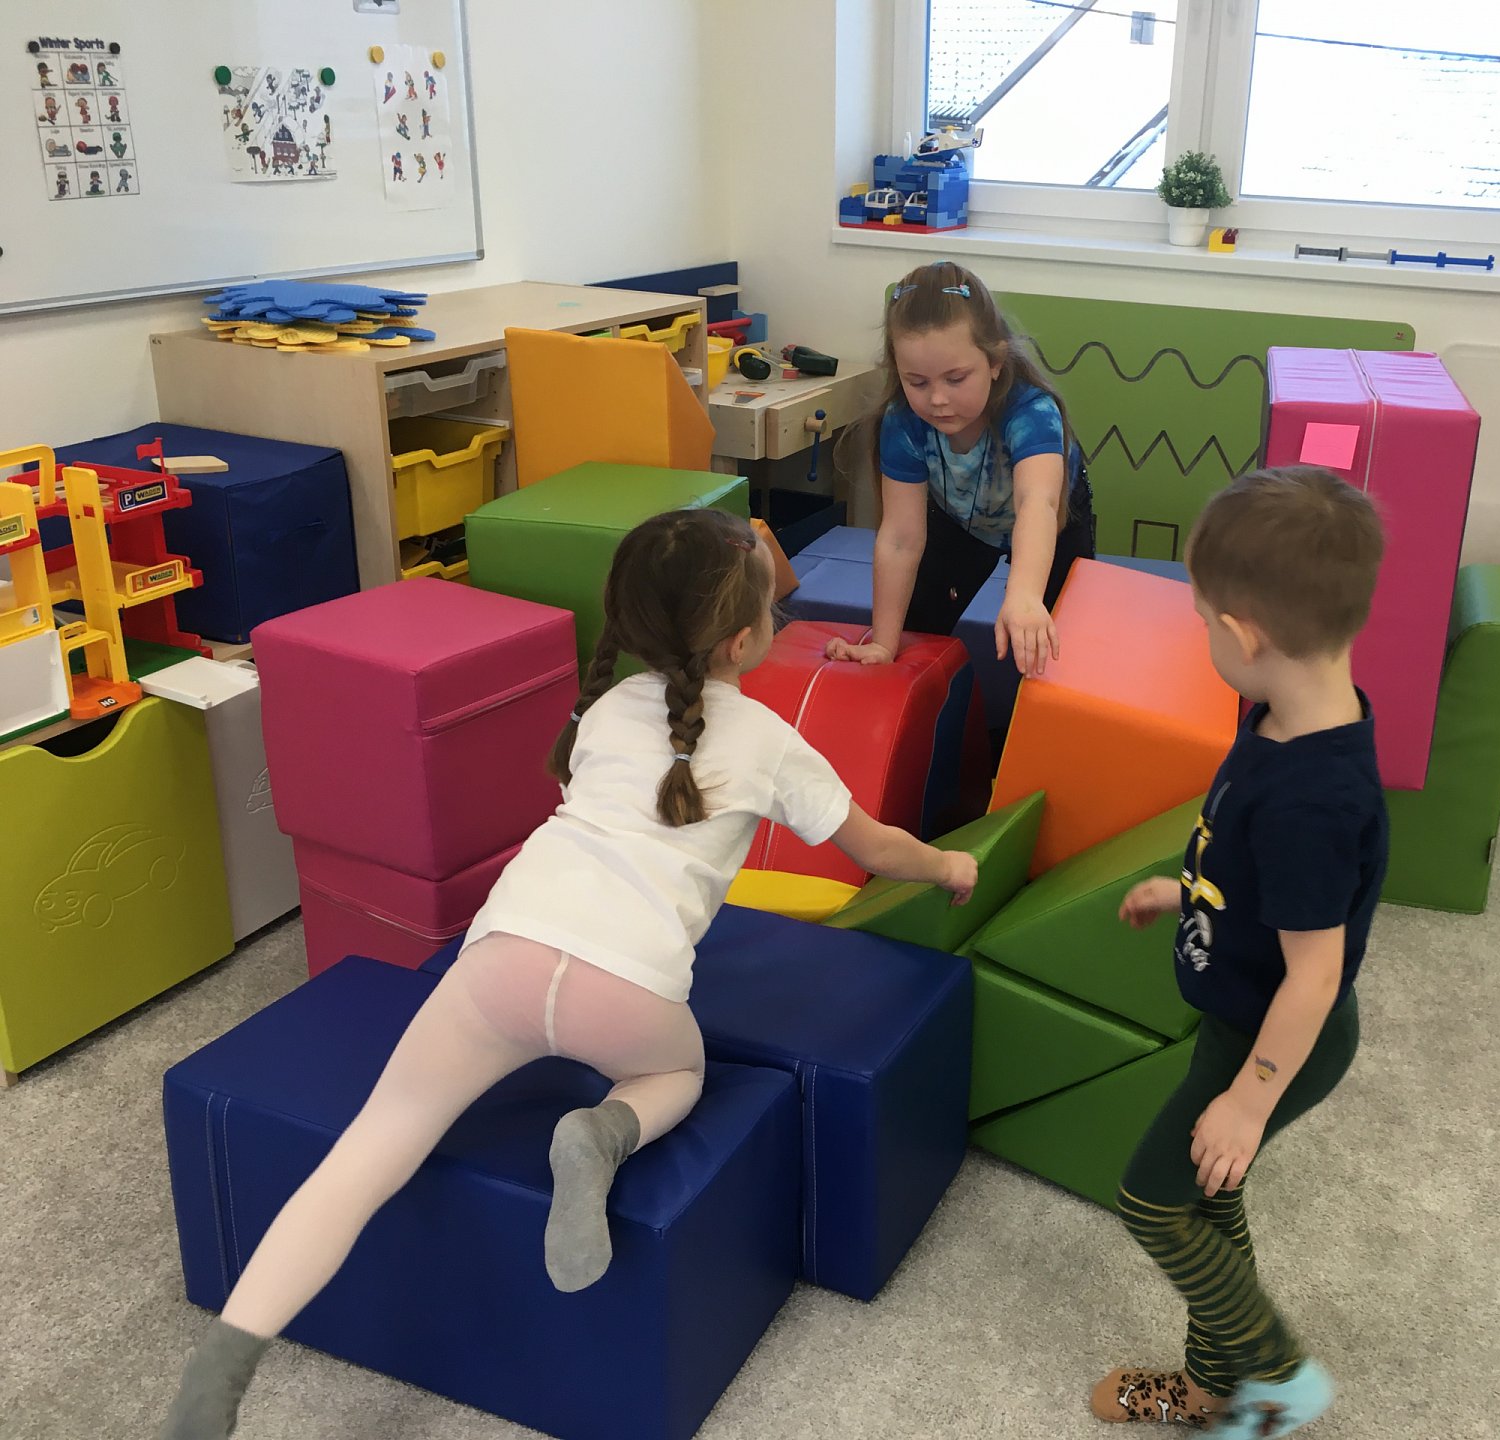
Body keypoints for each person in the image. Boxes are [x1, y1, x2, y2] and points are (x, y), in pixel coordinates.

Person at [160, 509, 978, 1440]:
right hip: (626, 991)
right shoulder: (769, 740)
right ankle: (604, 1130)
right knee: (678, 1072)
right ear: (744, 640)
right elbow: (876, 848)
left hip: (503, 954)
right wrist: (950, 866)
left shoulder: (606, 708)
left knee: (373, 1145)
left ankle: (224, 1366)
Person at [1094, 468, 1387, 1437]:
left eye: (1200, 621)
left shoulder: (1314, 800)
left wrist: (1250, 1099)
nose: (1202, 635)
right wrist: (1190, 890)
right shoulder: (1285, 716)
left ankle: (1279, 1378)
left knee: (1151, 1201)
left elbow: (1315, 972)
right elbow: (1262, 872)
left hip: (1279, 1035)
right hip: (1242, 1014)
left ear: (1241, 634)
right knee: (1209, 1201)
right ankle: (1211, 1389)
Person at [827, 260, 1096, 679]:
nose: (937, 399)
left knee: (1054, 645)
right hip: (958, 519)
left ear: (995, 361)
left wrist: (1025, 596)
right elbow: (900, 539)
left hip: (1053, 522)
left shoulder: (1031, 412)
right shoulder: (903, 423)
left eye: (956, 379)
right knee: (917, 627)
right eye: (917, 382)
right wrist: (883, 642)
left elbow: (1037, 503)